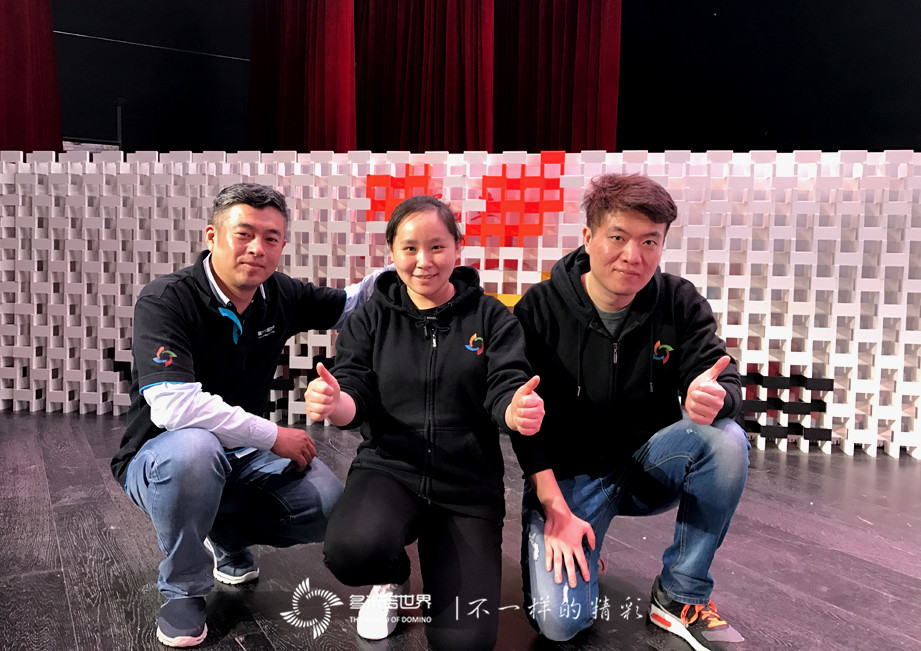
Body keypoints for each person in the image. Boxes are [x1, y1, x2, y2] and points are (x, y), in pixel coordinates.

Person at [110, 183, 382, 648]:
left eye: (271, 238)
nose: (258, 248)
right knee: (195, 450)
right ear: (212, 236)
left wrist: (418, 262)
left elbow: (351, 302)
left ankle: (223, 535)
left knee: (326, 505)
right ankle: (183, 589)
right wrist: (273, 435)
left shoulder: (279, 294)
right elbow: (174, 406)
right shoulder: (166, 299)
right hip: (162, 458)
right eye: (245, 234)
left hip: (242, 456)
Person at [511, 173, 750, 651]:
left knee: (726, 440)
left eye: (649, 242)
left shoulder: (679, 301)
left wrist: (716, 396)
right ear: (588, 237)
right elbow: (523, 423)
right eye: (618, 237)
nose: (633, 256)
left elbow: (722, 376)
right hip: (570, 480)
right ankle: (584, 540)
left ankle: (679, 595)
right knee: (560, 622)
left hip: (647, 466)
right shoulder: (540, 308)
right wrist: (553, 506)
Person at [305, 195, 544, 650]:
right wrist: (335, 403)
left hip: (467, 485)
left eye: (437, 247)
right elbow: (355, 391)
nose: (424, 261)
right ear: (391, 252)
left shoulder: (491, 317)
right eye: (410, 248)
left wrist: (515, 410)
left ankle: (442, 562)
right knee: (352, 551)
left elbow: (506, 385)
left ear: (457, 246)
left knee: (465, 643)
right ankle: (393, 576)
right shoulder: (370, 317)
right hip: (391, 469)